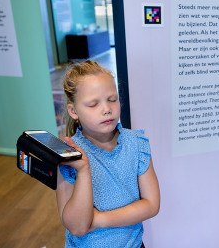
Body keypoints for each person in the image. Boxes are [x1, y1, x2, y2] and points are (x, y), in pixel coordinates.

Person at [56, 60, 160, 248]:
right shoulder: (69, 155)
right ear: (73, 111)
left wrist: (99, 220)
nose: (107, 109)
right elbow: (78, 227)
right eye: (93, 104)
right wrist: (83, 170)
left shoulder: (137, 144)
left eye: (112, 99)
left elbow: (151, 204)